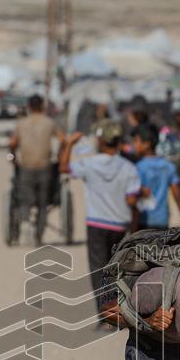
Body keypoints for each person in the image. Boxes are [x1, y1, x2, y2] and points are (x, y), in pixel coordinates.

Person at [58, 120, 140, 313]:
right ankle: (119, 309)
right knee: (117, 269)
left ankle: (105, 314)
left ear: (101, 141)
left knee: (98, 270)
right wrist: (135, 228)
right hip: (120, 225)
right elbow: (132, 200)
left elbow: (63, 168)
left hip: (96, 225)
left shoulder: (89, 164)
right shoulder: (129, 167)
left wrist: (69, 144)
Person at [9, 94, 62, 246]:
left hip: (26, 166)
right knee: (43, 201)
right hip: (45, 166)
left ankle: (25, 223)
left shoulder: (21, 123)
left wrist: (13, 153)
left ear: (29, 107)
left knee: (25, 199)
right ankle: (39, 233)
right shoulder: (49, 123)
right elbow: (62, 140)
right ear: (43, 107)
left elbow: (12, 142)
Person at [132, 123, 180, 232]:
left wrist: (132, 228)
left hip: (142, 222)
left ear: (147, 144)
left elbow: (135, 198)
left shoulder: (138, 168)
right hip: (162, 221)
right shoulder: (168, 166)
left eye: (136, 141)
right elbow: (177, 196)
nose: (134, 145)